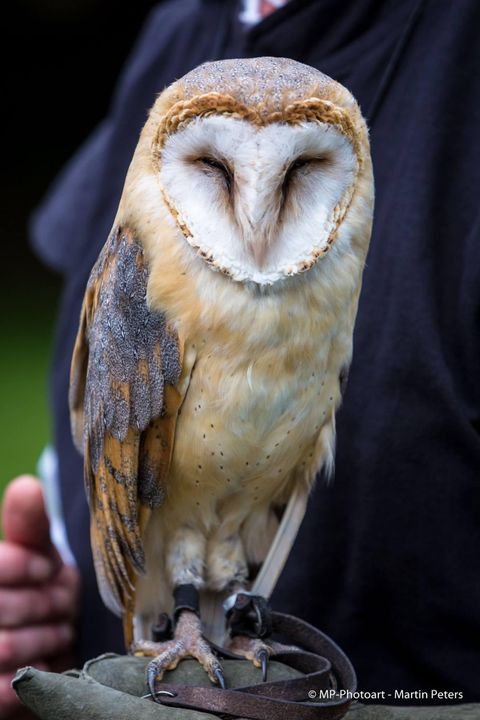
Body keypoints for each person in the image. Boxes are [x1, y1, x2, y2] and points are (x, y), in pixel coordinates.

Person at [2, 0, 480, 715]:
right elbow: (110, 437)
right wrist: (65, 585)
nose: (256, 220)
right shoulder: (181, 24)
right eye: (217, 173)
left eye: (297, 178)